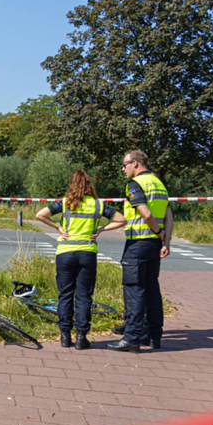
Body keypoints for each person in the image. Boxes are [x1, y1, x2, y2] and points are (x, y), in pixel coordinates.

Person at [37, 170, 127, 350]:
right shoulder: (97, 205)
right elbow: (122, 220)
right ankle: (81, 337)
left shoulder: (65, 203)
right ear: (89, 186)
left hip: (65, 252)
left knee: (65, 295)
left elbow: (40, 214)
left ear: (71, 185)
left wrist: (58, 228)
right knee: (84, 296)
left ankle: (64, 336)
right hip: (87, 252)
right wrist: (101, 229)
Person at [108, 151, 172, 353]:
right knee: (152, 289)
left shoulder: (135, 184)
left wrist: (157, 230)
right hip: (154, 244)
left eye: (125, 164)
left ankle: (131, 338)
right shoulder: (159, 183)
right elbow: (169, 215)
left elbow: (146, 213)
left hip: (138, 243)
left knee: (134, 288)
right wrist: (165, 240)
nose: (123, 168)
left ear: (135, 163)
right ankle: (154, 335)